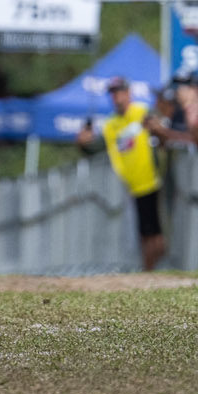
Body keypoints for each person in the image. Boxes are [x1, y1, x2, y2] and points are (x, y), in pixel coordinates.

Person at [77, 77, 177, 271]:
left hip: (155, 179)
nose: (117, 97)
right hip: (134, 185)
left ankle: (153, 272)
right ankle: (151, 271)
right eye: (113, 93)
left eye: (120, 92)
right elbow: (95, 148)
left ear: (129, 93)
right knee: (145, 232)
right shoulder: (110, 124)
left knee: (155, 232)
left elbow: (165, 128)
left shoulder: (143, 112)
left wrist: (157, 126)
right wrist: (83, 143)